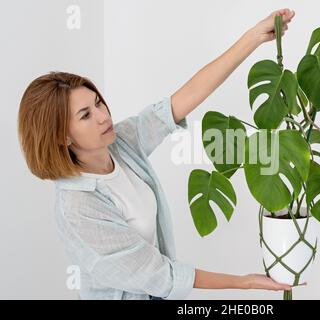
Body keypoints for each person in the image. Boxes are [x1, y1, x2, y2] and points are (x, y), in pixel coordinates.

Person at [17, 8, 298, 300]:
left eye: (98, 103)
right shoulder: (78, 207)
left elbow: (181, 100)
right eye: (86, 115)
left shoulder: (120, 143)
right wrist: (245, 283)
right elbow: (161, 274)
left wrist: (253, 37)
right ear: (62, 136)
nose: (103, 116)